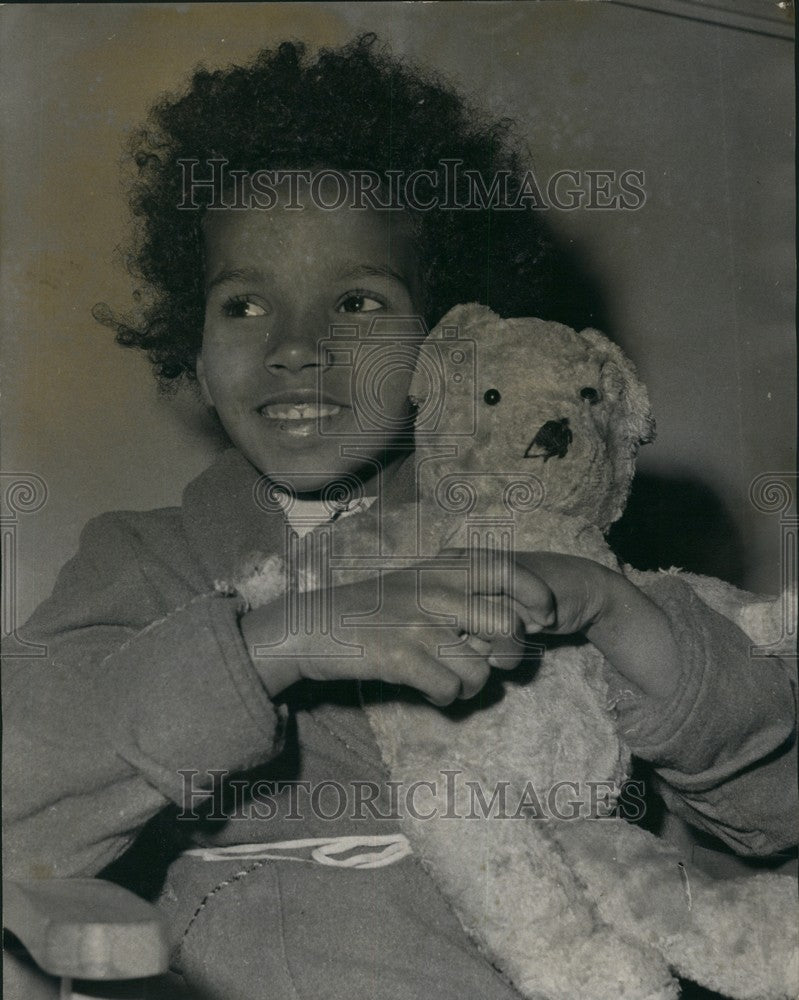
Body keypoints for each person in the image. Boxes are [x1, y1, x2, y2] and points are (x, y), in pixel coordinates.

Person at [4, 34, 795, 1000]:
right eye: (243, 305)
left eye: (356, 301)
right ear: (196, 356)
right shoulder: (143, 559)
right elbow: (18, 794)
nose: (297, 346)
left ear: (442, 350)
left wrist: (620, 614)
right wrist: (275, 644)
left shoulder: (532, 541)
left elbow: (775, 808)